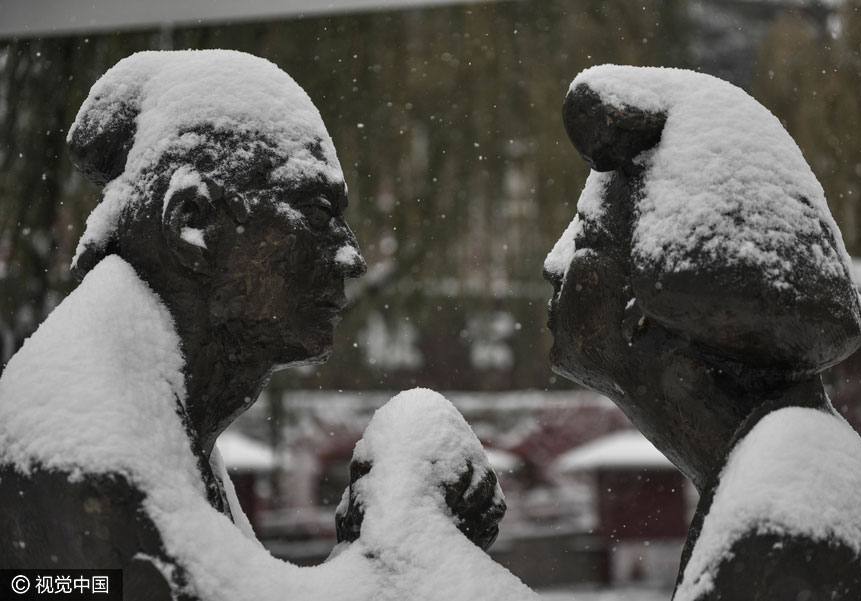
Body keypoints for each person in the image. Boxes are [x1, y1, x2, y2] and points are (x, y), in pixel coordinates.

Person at [0, 50, 525, 601]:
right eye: (319, 214)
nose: (352, 257)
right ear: (194, 224)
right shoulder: (93, 470)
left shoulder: (151, 423)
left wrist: (376, 544)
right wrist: (411, 546)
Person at [544, 64, 861, 600]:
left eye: (585, 234)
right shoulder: (794, 489)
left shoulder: (781, 537)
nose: (556, 262)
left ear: (650, 319)